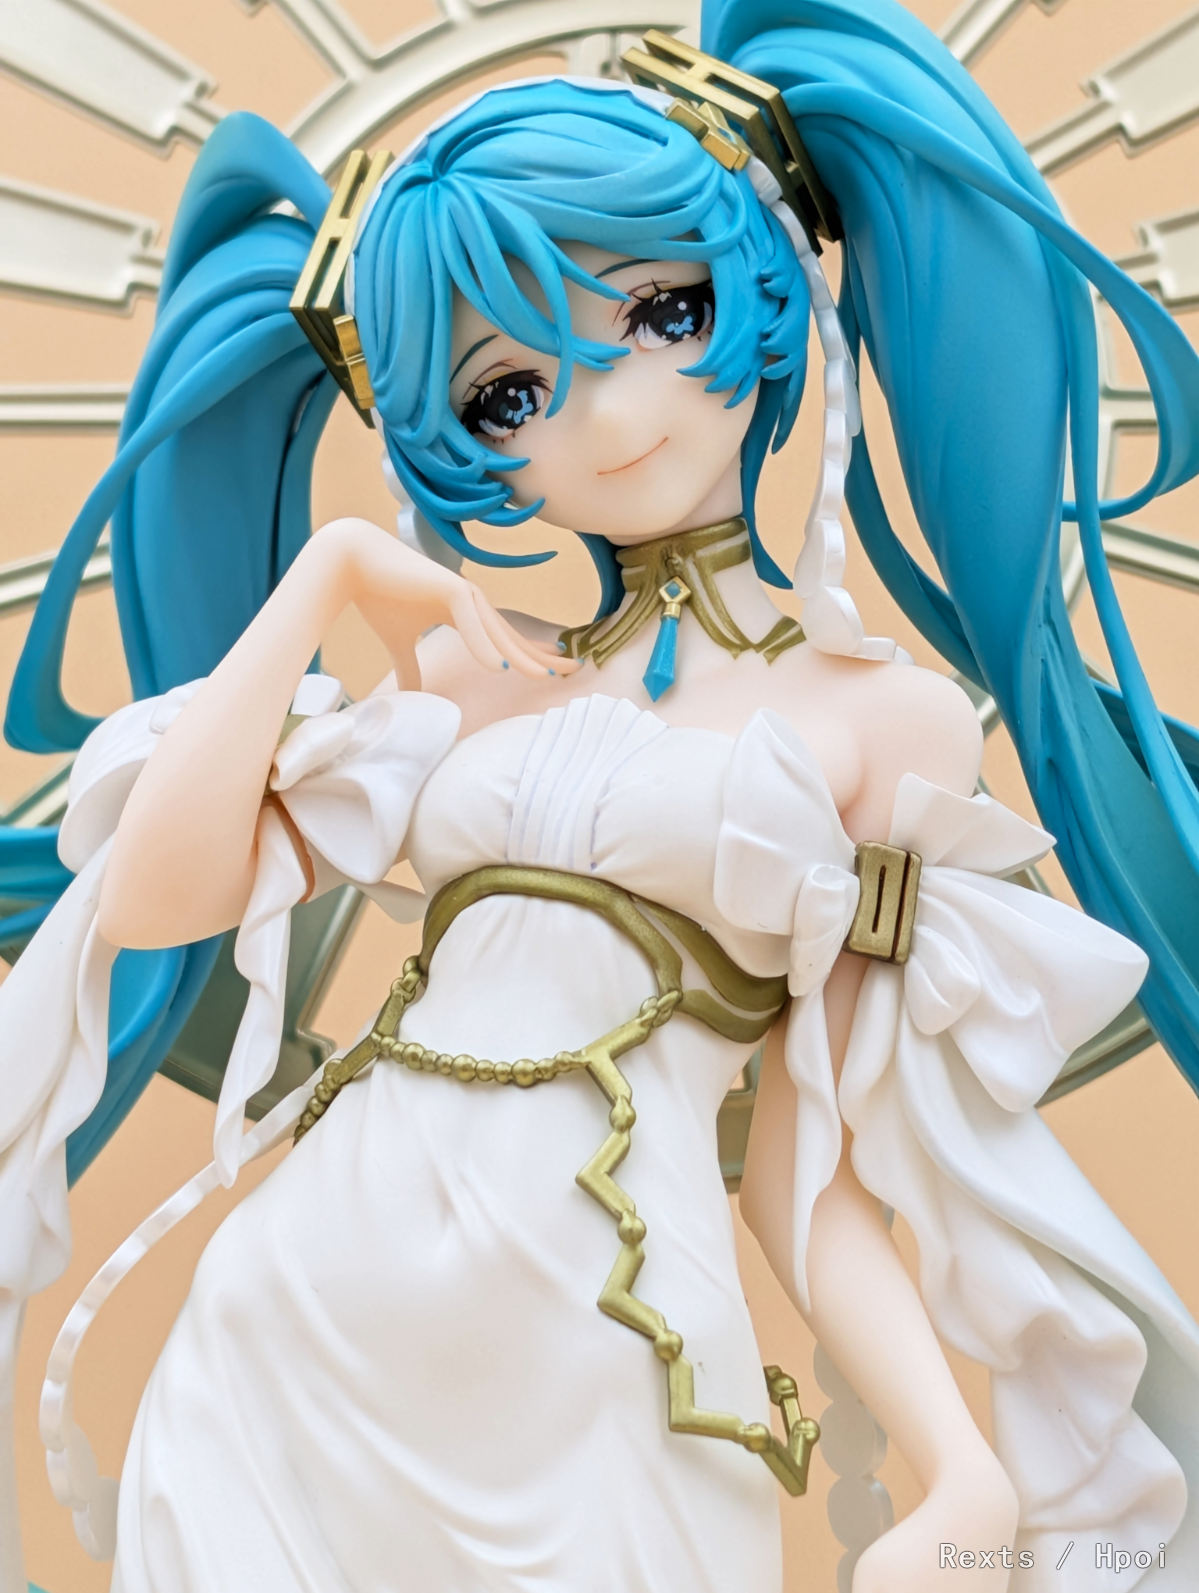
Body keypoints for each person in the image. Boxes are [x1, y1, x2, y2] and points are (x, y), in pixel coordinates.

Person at [2, 2, 1199, 1590]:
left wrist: (960, 1463)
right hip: (299, 1315)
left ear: (759, 291)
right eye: (509, 394)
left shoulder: (880, 722)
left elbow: (813, 1156)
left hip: (612, 1336)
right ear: (454, 446)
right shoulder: (463, 680)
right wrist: (327, 572)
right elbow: (155, 899)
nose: (612, 412)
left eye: (660, 312)